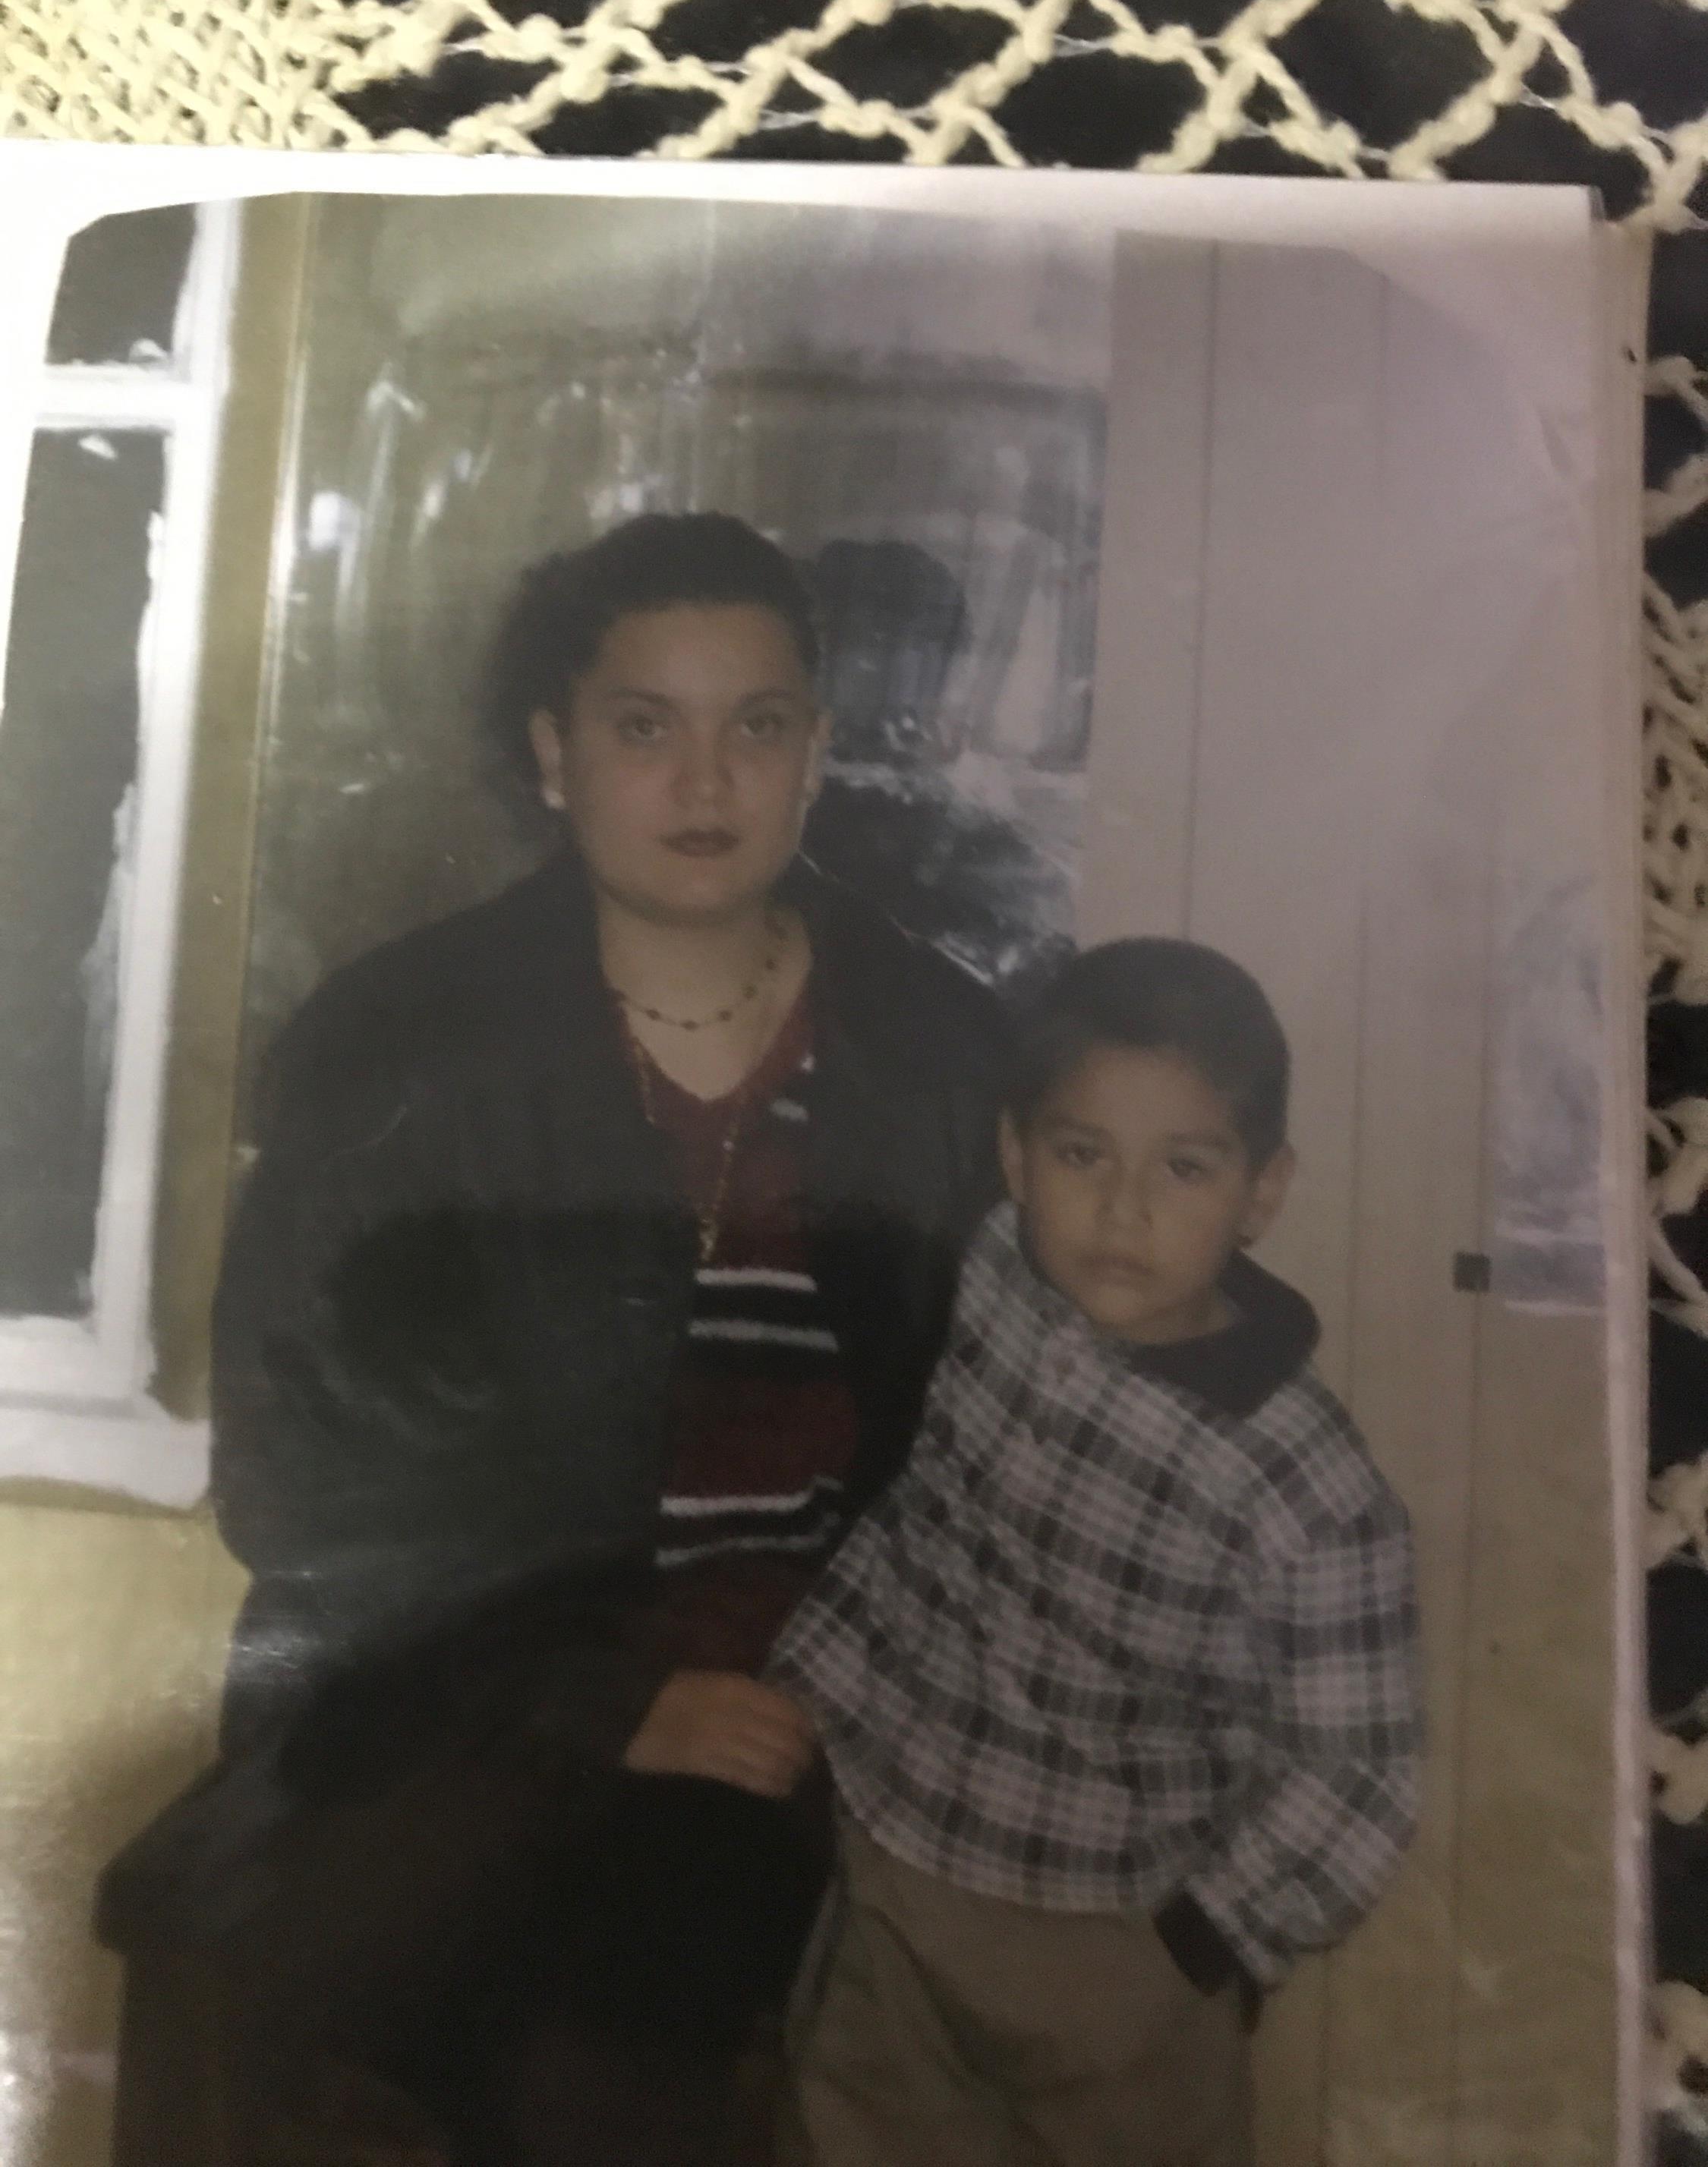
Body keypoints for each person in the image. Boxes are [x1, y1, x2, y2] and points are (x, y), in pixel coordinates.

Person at [97, 512, 1006, 2167]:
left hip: (837, 1742)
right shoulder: (397, 1046)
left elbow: (1000, 1452)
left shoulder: (944, 1051)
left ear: (817, 752)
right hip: (460, 1722)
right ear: (554, 752)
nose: (706, 780)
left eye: (758, 725)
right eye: (644, 726)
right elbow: (304, 1480)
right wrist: (603, 1705)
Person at [770, 938, 1425, 2167]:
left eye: (1184, 1169)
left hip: (1115, 1941)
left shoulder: (1306, 1484)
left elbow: (1354, 1773)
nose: (1122, 1211)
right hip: (899, 1865)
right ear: (1016, 1157)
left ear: (1260, 1193)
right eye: (1081, 1155)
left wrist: (1204, 1942)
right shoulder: (991, 1281)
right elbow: (920, 1512)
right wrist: (815, 1688)